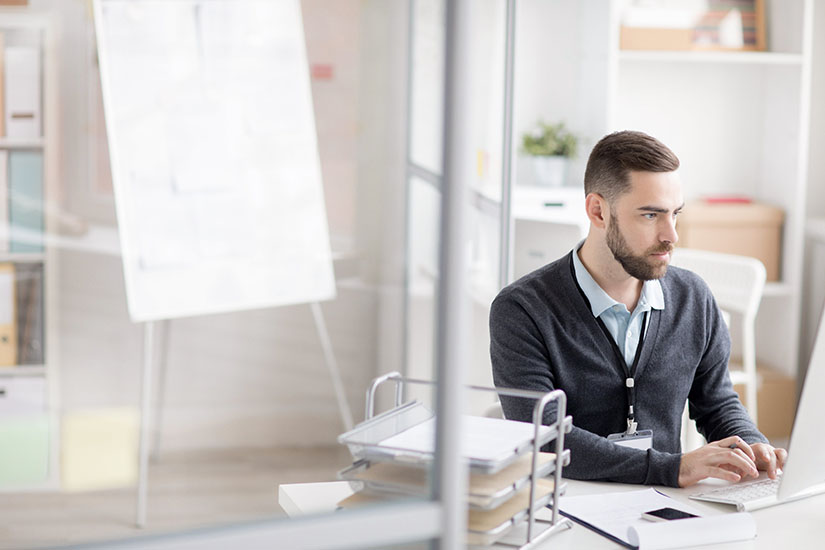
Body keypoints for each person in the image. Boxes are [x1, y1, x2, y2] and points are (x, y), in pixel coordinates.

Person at [490, 130, 787, 488]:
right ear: (598, 211)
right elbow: (547, 438)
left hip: (663, 506)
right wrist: (674, 468)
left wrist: (750, 445)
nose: (671, 235)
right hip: (566, 506)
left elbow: (717, 403)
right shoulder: (521, 310)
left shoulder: (694, 297)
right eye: (651, 216)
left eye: (675, 214)